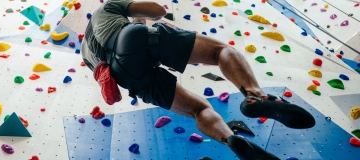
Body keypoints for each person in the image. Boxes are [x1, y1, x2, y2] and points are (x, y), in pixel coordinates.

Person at [81, 0, 316, 159]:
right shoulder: (108, 7)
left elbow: (110, 69)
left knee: (199, 109)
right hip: (130, 39)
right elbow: (158, 11)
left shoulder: (84, 51)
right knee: (220, 52)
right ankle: (255, 96)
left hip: (126, 77)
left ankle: (231, 139)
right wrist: (140, 16)